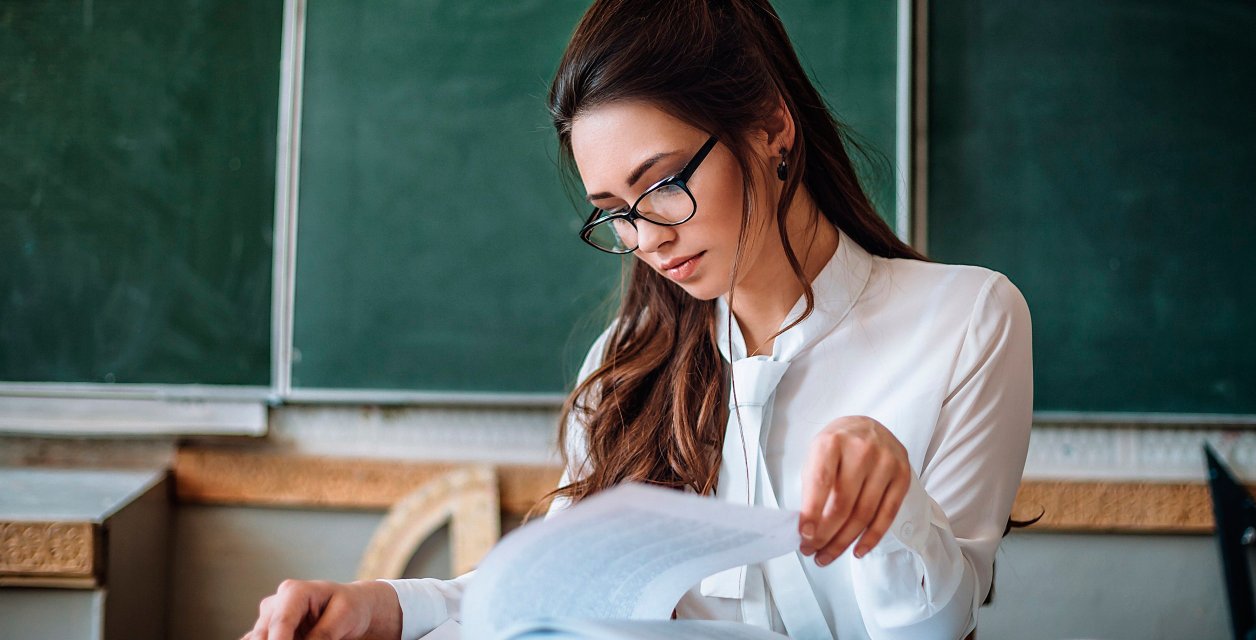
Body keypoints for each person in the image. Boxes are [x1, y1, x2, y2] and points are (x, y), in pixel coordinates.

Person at [243, 1, 1033, 639]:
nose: (647, 239)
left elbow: (934, 628)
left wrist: (894, 508)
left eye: (660, 185)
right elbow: (543, 596)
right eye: (614, 212)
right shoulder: (628, 357)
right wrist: (382, 609)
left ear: (770, 127)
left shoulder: (965, 321)